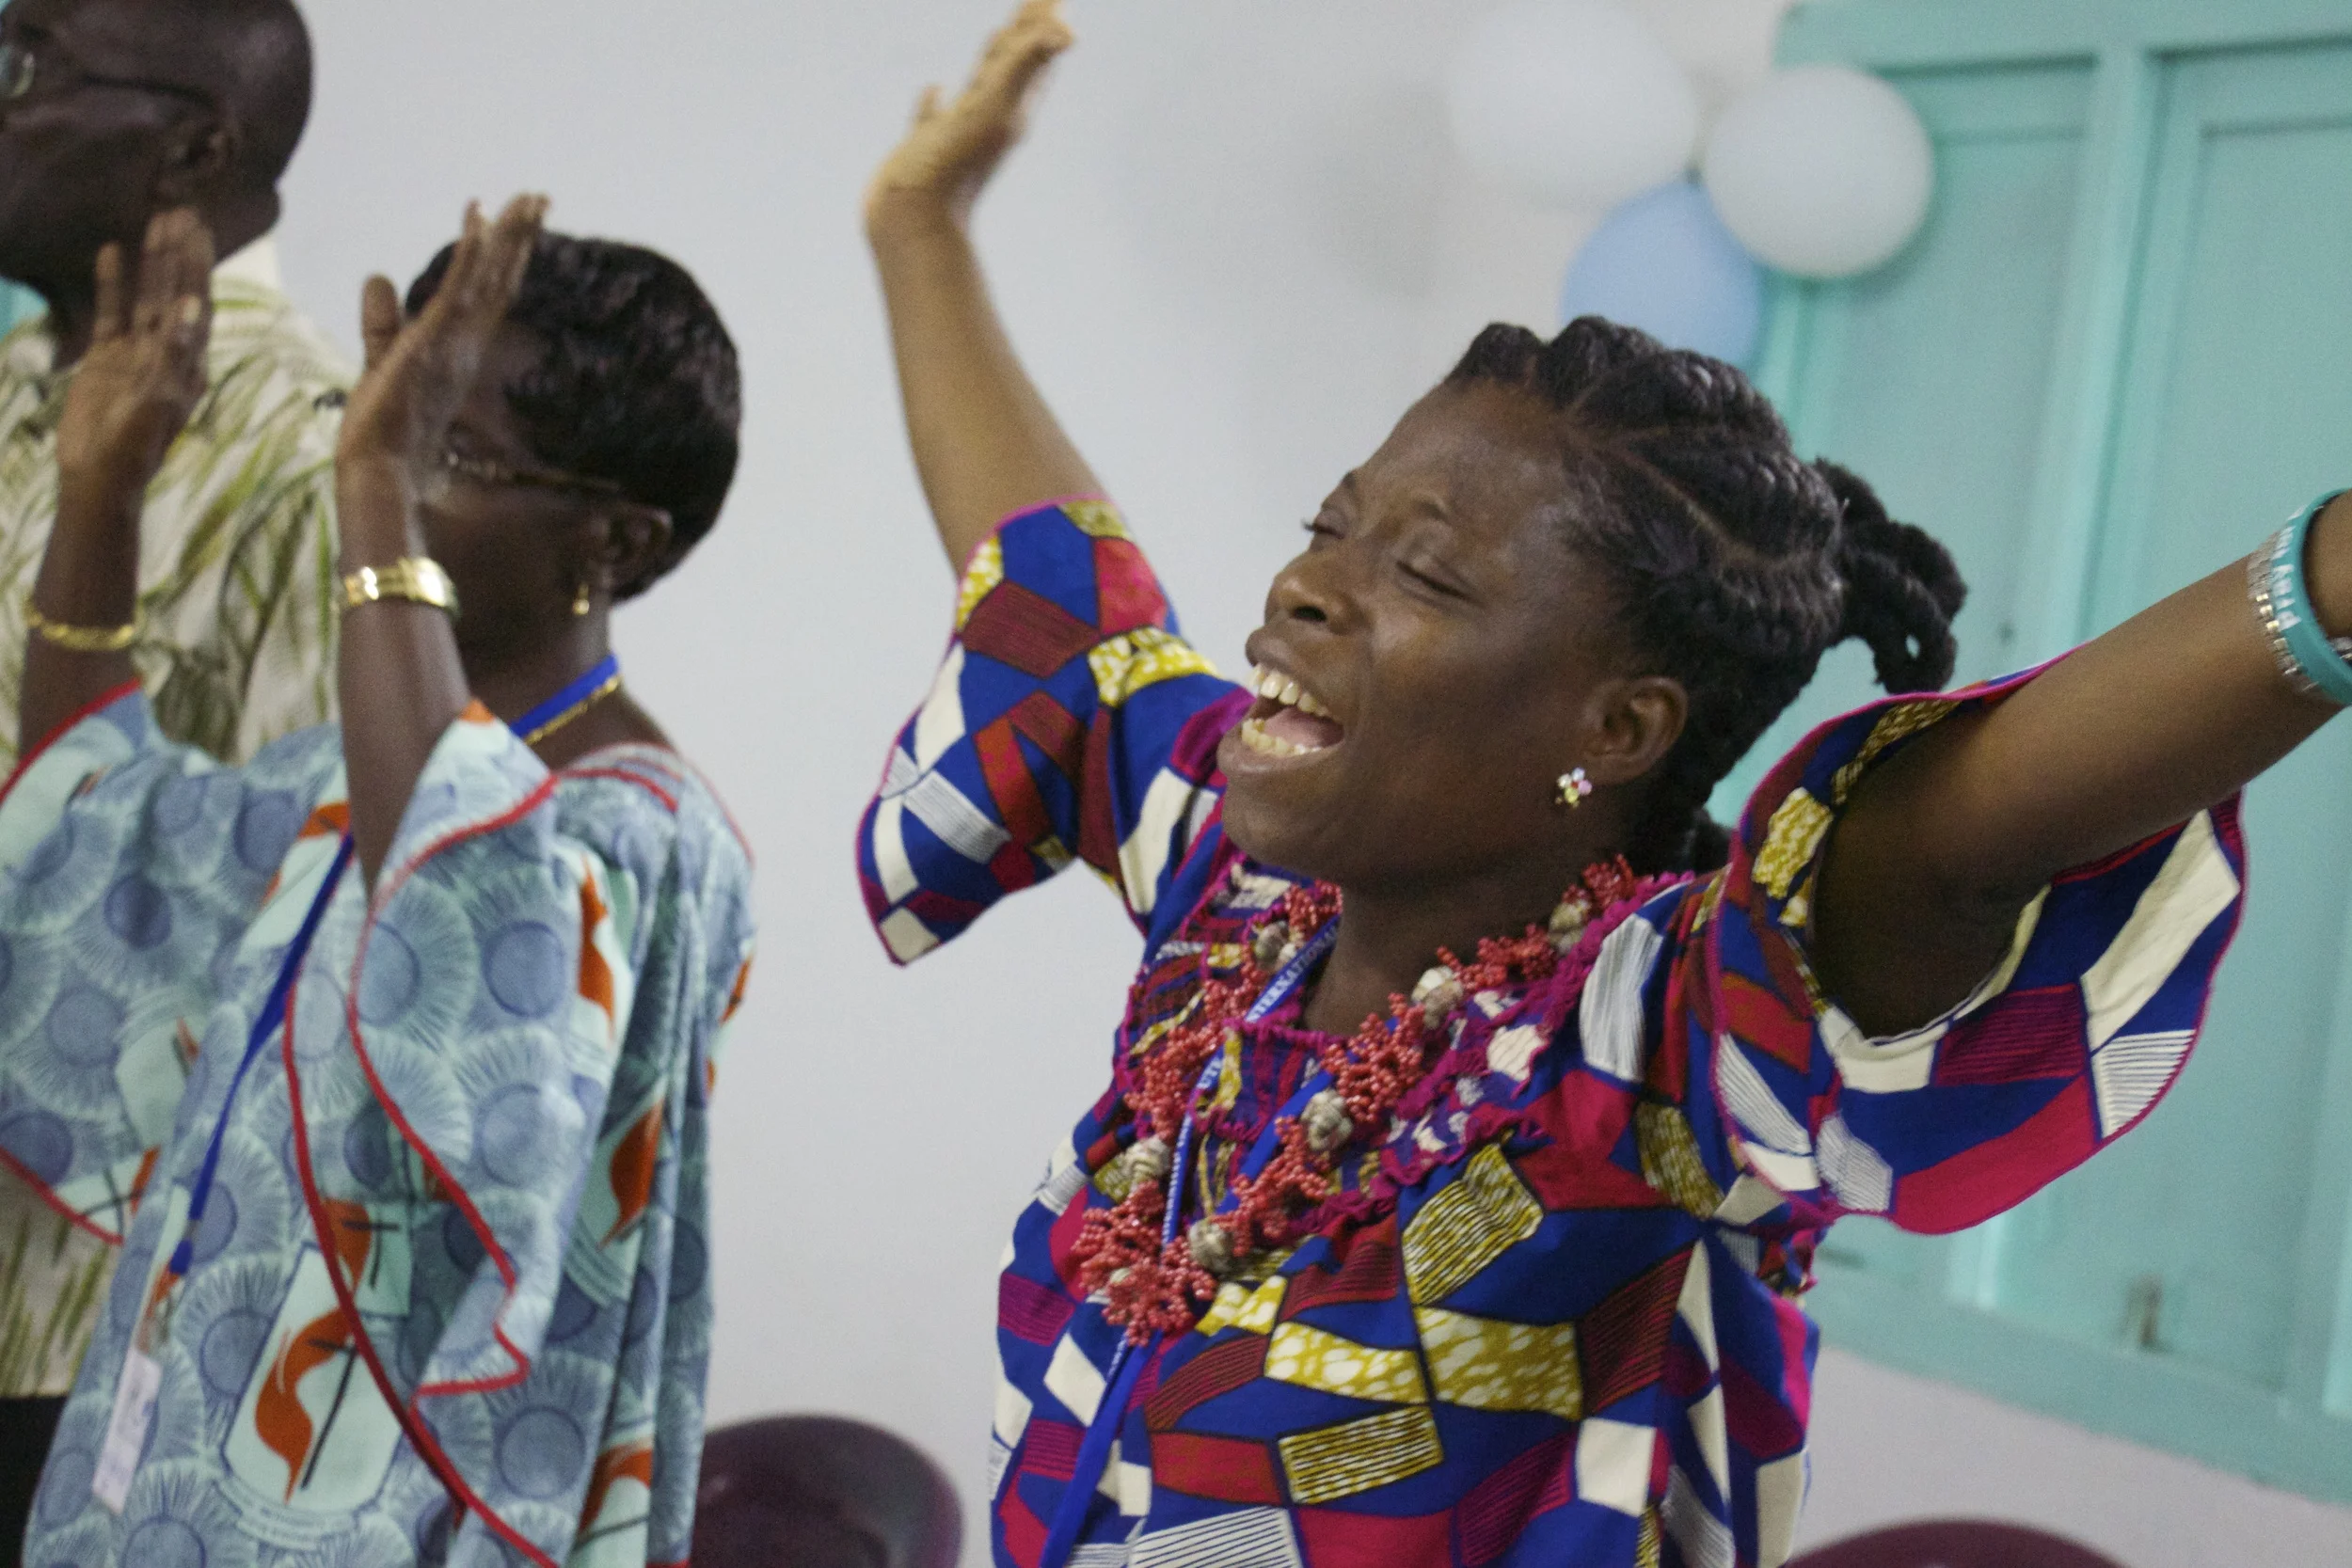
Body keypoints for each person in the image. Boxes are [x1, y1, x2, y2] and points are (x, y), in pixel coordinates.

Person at [858, 5, 2334, 1565]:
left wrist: (2329, 588)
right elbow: (1065, 610)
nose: (1302, 587)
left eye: (1422, 569)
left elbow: (1963, 842)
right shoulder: (1243, 902)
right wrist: (919, 230)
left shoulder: (1627, 1052)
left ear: (1621, 726)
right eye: (1330, 522)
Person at [6, 198, 753, 1568]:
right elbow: (95, 842)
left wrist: (369, 495)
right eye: (383, 426)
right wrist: (102, 497)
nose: (383, 469)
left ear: (618, 543)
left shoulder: (650, 840)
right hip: (159, 1492)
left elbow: (464, 928)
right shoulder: (340, 782)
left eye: (444, 450)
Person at [0, 0, 351, 1508]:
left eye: (28, 69)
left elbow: (284, 942)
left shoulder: (313, 456)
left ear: (196, 145)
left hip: (72, 1346)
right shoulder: (20, 389)